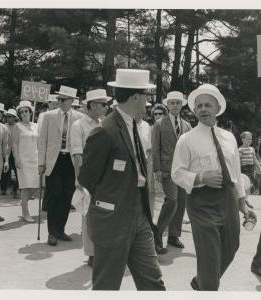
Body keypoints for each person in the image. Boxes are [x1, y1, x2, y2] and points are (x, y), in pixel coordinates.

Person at [78, 69, 166, 290]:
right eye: (146, 95)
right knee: (107, 285)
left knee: (153, 282)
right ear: (135, 97)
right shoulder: (105, 131)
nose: (148, 101)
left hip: (140, 214)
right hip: (114, 220)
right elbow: (86, 178)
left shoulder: (133, 125)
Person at [171, 83, 255, 291]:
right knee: (209, 256)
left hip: (227, 200)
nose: (203, 109)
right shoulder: (186, 140)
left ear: (217, 108)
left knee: (231, 246)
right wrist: (200, 178)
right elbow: (176, 174)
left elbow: (235, 173)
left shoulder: (228, 138)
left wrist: (242, 204)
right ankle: (208, 287)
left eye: (208, 105)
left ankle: (201, 283)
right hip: (201, 203)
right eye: (199, 106)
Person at [38, 85, 84, 246]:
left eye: (64, 99)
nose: (61, 102)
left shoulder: (79, 117)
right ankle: (51, 232)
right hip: (54, 160)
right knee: (54, 194)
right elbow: (42, 141)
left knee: (66, 196)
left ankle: (60, 230)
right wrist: (41, 163)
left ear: (72, 101)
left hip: (70, 161)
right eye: (59, 99)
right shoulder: (48, 116)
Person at [70, 88, 110, 267]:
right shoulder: (78, 125)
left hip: (105, 176)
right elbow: (77, 154)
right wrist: (79, 179)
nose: (106, 107)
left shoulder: (104, 124)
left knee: (104, 213)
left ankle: (102, 249)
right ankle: (92, 253)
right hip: (88, 176)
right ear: (93, 105)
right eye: (103, 104)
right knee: (88, 215)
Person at [152, 91, 191, 253]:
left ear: (182, 105)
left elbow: (190, 150)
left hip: (183, 170)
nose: (175, 105)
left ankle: (174, 236)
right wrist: (157, 169)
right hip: (167, 170)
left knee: (181, 201)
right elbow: (155, 148)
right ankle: (158, 232)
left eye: (178, 103)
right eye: (172, 103)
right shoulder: (160, 124)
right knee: (172, 200)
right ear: (167, 105)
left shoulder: (187, 125)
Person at [13, 101, 39, 223]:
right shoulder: (17, 126)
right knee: (25, 187)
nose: (24, 113)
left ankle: (24, 206)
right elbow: (14, 144)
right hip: (23, 160)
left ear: (30, 112)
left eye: (26, 111)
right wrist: (16, 159)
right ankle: (25, 213)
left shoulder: (36, 125)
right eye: (21, 112)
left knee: (33, 187)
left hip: (35, 159)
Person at [0, 109, 19, 198]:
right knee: (5, 171)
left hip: (16, 152)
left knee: (17, 170)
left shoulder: (19, 127)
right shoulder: (3, 126)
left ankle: (15, 189)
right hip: (6, 151)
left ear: (15, 118)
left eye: (10, 117)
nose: (8, 118)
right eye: (7, 116)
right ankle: (3, 188)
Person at [239, 131, 261, 198]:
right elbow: (238, 161)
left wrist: (259, 166)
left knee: (251, 185)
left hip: (251, 169)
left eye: (250, 139)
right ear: (242, 139)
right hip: (244, 169)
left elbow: (254, 159)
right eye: (247, 139)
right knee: (247, 185)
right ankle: (245, 201)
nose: (250, 140)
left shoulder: (252, 149)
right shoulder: (240, 149)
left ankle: (246, 200)